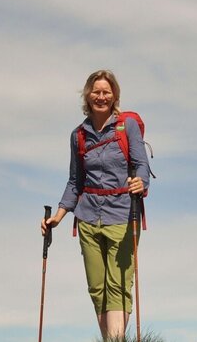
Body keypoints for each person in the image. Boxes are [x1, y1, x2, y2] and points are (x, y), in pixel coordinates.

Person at [41, 69, 151, 340]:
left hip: (122, 214)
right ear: (87, 96)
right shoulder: (78, 135)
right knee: (97, 288)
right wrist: (58, 216)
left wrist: (140, 182)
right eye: (96, 92)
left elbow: (141, 165)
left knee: (118, 285)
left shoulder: (128, 126)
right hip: (88, 217)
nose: (101, 97)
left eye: (106, 92)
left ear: (114, 96)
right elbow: (75, 181)